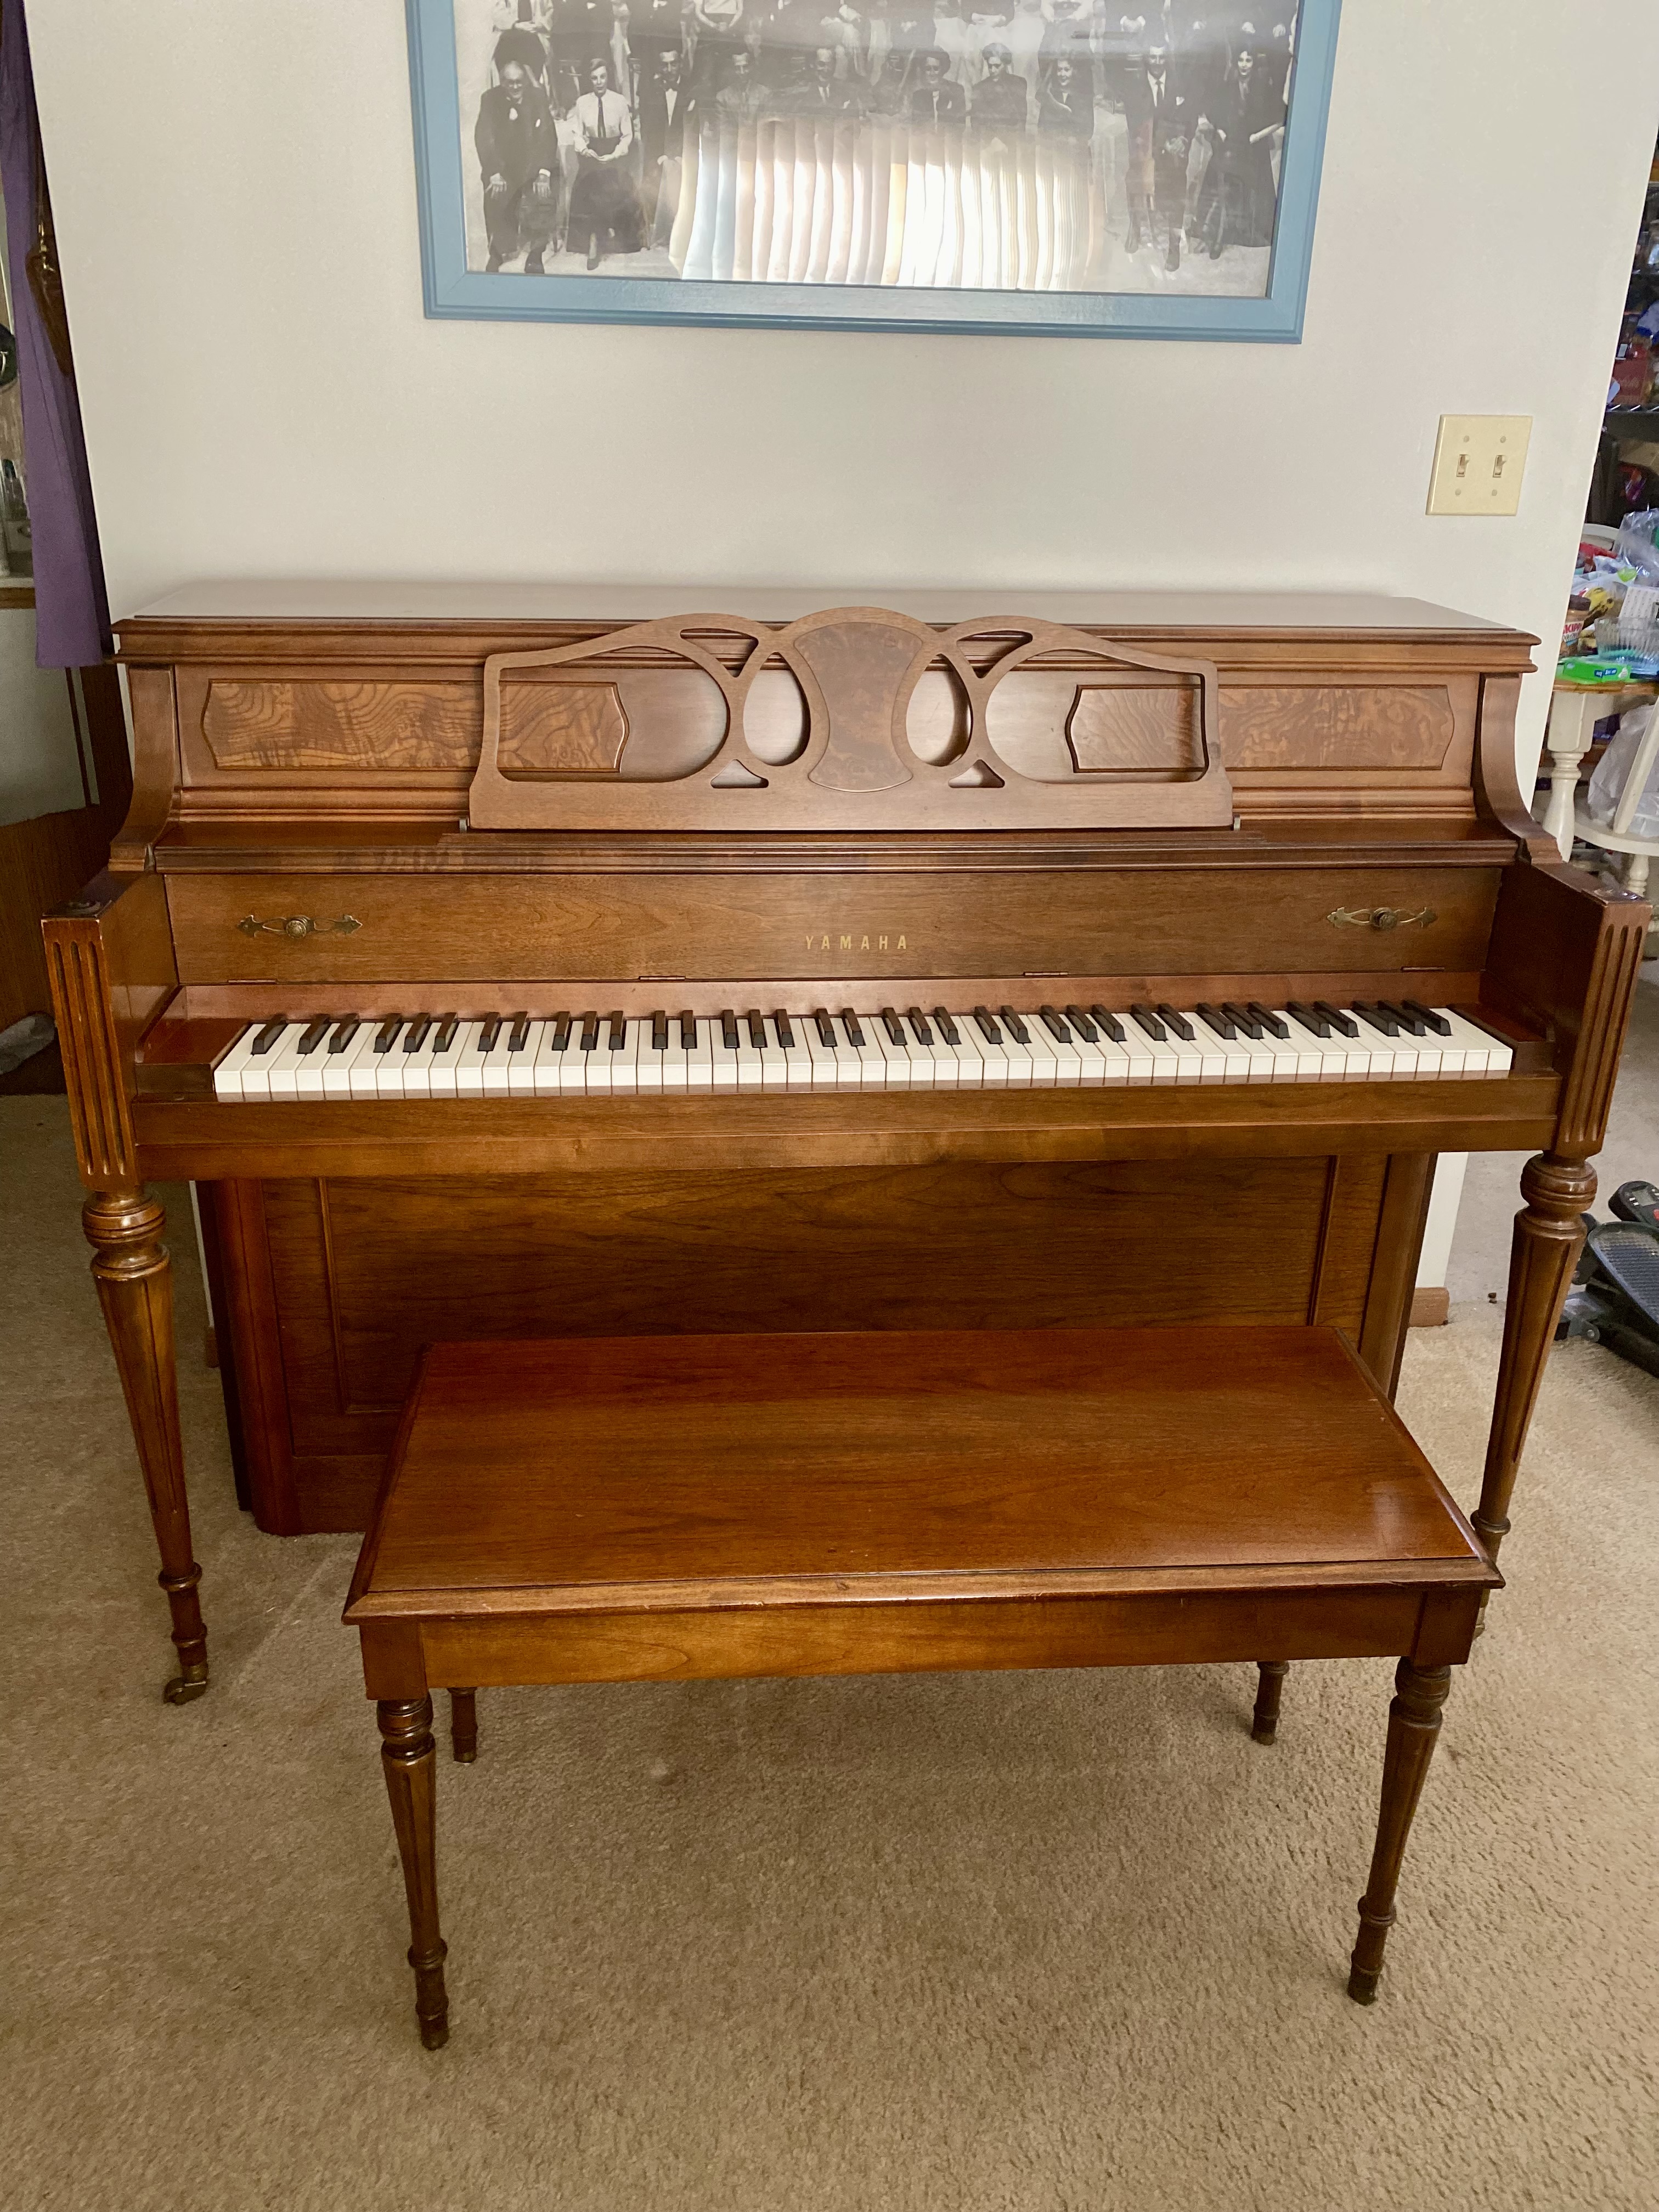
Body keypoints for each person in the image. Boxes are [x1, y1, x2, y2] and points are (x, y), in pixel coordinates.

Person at [474, 56, 561, 273]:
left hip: (532, 166)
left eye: (519, 82)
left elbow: (548, 136)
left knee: (544, 196)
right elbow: (484, 137)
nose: (515, 87)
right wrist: (494, 171)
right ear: (503, 83)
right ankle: (498, 251)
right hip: (505, 167)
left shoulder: (538, 97)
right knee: (495, 194)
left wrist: (543, 173)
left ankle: (536, 253)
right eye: (509, 82)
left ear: (525, 81)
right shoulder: (490, 99)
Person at [1121, 38, 1193, 267]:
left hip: (1173, 150)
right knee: (1135, 177)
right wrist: (1160, 144)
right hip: (1147, 147)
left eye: (1162, 57)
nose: (1157, 62)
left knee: (1177, 187)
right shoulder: (1135, 87)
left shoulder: (1179, 84)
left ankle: (1174, 246)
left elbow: (1190, 116)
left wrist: (1184, 139)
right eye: (1153, 57)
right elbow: (1135, 125)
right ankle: (1135, 228)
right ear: (1146, 58)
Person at [567, 55, 642, 267]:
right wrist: (585, 150)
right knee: (590, 186)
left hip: (614, 153)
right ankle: (594, 240)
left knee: (611, 185)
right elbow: (577, 133)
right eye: (594, 78)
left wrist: (615, 154)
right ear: (589, 80)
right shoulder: (582, 103)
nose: (599, 82)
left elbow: (628, 135)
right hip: (592, 153)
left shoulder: (619, 101)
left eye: (602, 77)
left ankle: (603, 236)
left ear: (608, 77)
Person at [637, 47, 690, 241]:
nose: (669, 69)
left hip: (684, 154)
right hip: (657, 153)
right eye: (665, 65)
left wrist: (679, 156)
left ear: (680, 65)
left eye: (673, 64)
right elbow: (647, 129)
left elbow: (694, 128)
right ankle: (654, 233)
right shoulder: (651, 90)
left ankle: (683, 233)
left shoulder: (691, 90)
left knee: (680, 176)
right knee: (651, 180)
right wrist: (660, 157)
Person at [788, 44, 865, 113]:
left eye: (830, 64)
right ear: (814, 65)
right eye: (821, 64)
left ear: (834, 65)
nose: (826, 69)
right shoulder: (803, 94)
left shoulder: (846, 93)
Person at [969, 41, 1026, 130]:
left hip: (1011, 139)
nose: (993, 70)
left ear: (1005, 64)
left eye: (997, 66)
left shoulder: (1018, 84)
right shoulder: (979, 89)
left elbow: (1021, 121)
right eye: (990, 66)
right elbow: (976, 124)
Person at [909, 46, 966, 126]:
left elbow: (960, 126)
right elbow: (917, 129)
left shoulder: (956, 91)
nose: (932, 73)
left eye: (936, 69)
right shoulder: (918, 96)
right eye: (928, 69)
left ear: (943, 69)